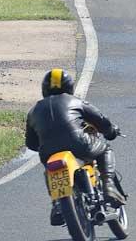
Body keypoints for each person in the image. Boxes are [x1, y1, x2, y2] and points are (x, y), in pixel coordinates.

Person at [25, 68, 126, 227]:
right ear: (69, 87)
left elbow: (31, 144)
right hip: (79, 143)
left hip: (49, 151)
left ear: (44, 89)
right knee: (105, 149)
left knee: (49, 170)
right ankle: (109, 185)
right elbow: (101, 120)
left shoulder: (34, 111)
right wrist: (111, 131)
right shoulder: (75, 102)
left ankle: (57, 203)